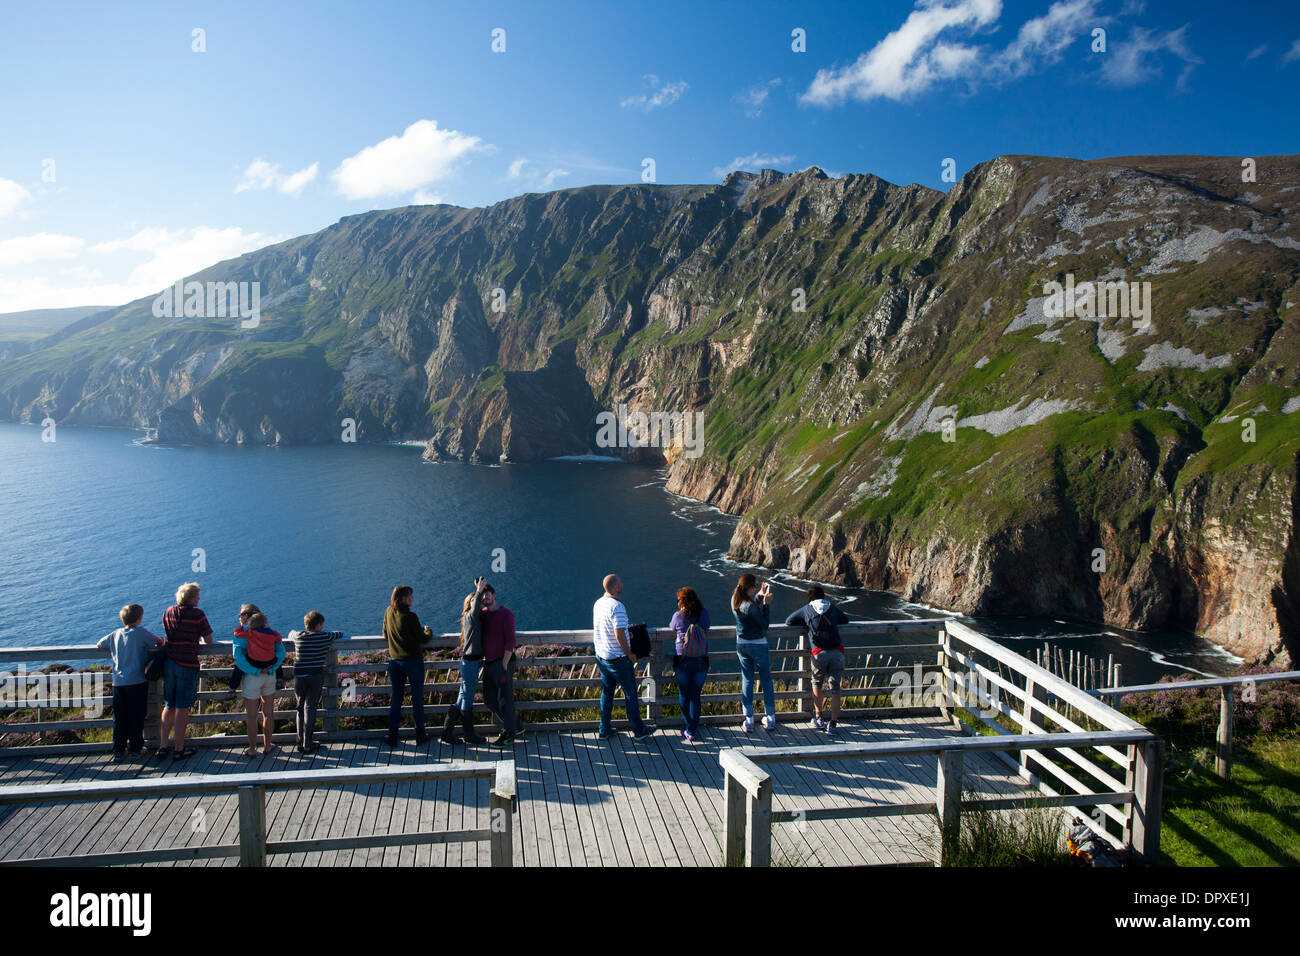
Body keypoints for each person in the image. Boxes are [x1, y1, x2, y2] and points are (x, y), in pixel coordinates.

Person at [97, 603, 163, 760]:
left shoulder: (115, 634)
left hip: (118, 683)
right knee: (137, 716)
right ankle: (135, 749)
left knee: (119, 718)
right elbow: (158, 642)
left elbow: (100, 643)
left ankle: (118, 750)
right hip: (137, 681)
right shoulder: (140, 632)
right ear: (139, 618)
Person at [593, 573, 652, 740]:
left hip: (603, 657)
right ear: (615, 587)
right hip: (618, 659)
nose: (622, 585)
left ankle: (604, 729)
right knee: (631, 694)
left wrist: (628, 634)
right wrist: (630, 653)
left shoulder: (598, 603)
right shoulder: (617, 607)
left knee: (607, 693)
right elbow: (618, 633)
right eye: (620, 582)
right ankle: (638, 730)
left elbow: (607, 628)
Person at [786, 585, 850, 736]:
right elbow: (845, 619)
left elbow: (789, 621)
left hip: (819, 653)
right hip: (837, 653)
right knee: (835, 690)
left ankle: (819, 717)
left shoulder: (807, 609)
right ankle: (833, 724)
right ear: (824, 596)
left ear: (810, 597)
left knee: (817, 684)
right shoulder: (832, 608)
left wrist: (807, 623)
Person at [159, 582, 214, 760]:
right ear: (191, 599)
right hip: (187, 664)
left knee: (169, 705)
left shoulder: (168, 612)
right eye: (197, 596)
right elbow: (209, 640)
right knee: (183, 707)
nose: (199, 599)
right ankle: (179, 748)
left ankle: (162, 746)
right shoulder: (197, 615)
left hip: (169, 663)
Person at [286, 610, 345, 753]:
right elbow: (339, 633)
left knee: (300, 708)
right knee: (310, 708)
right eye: (321, 625)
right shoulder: (324, 636)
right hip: (315, 676)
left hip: (300, 677)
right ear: (318, 625)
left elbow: (290, 633)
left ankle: (299, 741)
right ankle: (308, 743)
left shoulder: (299, 637)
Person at [383, 585, 433, 746]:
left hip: (394, 662)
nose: (412, 598)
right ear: (403, 598)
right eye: (410, 596)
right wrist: (428, 631)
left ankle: (392, 736)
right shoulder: (410, 616)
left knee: (396, 699)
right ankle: (420, 735)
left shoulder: (388, 612)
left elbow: (385, 633)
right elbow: (422, 639)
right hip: (413, 662)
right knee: (417, 699)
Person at [442, 578, 489, 746]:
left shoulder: (469, 618)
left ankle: (447, 733)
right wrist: (479, 590)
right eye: (477, 601)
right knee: (467, 700)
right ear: (471, 604)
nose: (482, 602)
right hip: (470, 663)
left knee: (462, 697)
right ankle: (469, 735)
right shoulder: (471, 616)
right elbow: (477, 605)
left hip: (469, 662)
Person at [233, 611, 286, 756]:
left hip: (252, 676)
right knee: (268, 713)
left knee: (251, 715)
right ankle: (268, 745)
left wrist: (241, 626)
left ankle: (252, 749)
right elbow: (281, 649)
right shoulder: (271, 635)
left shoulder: (248, 635)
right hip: (270, 674)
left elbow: (238, 656)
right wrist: (272, 668)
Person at [732, 573, 776, 732]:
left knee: (747, 680)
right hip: (758, 645)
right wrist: (767, 604)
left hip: (742, 644)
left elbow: (749, 611)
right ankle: (770, 717)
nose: (756, 588)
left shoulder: (735, 600)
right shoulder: (749, 606)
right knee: (766, 680)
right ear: (749, 587)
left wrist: (759, 596)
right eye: (755, 586)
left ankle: (748, 719)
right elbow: (764, 624)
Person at [479, 582, 520, 747]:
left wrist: (504, 664)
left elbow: (511, 640)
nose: (485, 596)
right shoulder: (482, 614)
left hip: (504, 662)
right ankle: (515, 726)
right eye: (482, 594)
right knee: (488, 699)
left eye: (488, 593)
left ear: (494, 595)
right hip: (488, 663)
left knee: (505, 699)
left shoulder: (506, 614)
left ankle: (509, 733)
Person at [669, 587, 710, 743]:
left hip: (683, 659)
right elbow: (707, 627)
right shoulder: (704, 614)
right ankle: (692, 729)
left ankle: (689, 728)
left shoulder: (678, 616)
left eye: (679, 599)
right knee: (695, 695)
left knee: (684, 693)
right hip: (701, 658)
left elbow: (672, 627)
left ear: (683, 601)